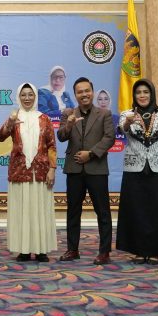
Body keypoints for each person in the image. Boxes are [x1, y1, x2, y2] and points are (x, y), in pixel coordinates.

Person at [116, 79, 158, 264]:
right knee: (136, 211)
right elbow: (121, 131)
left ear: (151, 94)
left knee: (157, 210)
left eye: (146, 92)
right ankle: (138, 250)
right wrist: (127, 123)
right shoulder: (126, 114)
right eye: (138, 92)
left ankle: (155, 251)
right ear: (134, 95)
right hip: (134, 168)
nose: (142, 95)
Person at [0, 83, 57, 262]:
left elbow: (52, 146)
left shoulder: (44, 118)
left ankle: (41, 250)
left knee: (40, 211)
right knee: (21, 212)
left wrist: (52, 169)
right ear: (18, 97)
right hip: (19, 171)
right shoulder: (14, 118)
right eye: (23, 95)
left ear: (35, 97)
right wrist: (9, 123)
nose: (27, 98)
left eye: (31, 94)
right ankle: (24, 250)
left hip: (41, 172)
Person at [56, 77, 115, 265]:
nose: (84, 94)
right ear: (75, 94)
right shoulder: (68, 113)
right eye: (80, 92)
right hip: (74, 170)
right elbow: (61, 136)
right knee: (73, 211)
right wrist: (69, 125)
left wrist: (91, 154)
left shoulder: (104, 113)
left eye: (87, 90)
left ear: (92, 92)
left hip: (97, 168)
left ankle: (104, 252)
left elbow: (109, 138)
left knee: (102, 212)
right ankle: (72, 249)